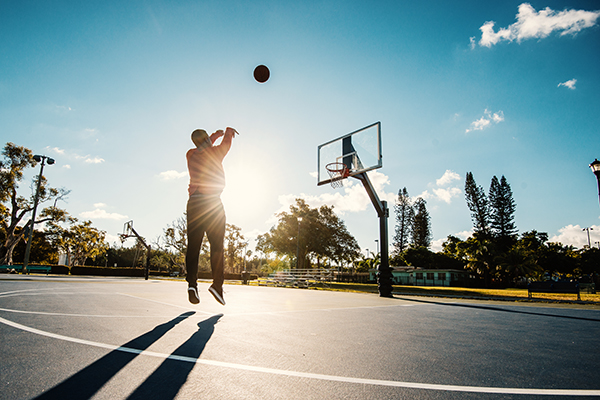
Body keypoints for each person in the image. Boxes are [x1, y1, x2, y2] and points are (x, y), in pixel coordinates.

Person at [185, 127, 238, 305]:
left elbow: (205, 146)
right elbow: (227, 144)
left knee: (193, 246)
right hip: (212, 204)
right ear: (207, 140)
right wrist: (229, 132)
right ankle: (217, 286)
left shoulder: (190, 154)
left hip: (194, 204)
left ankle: (192, 284)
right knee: (216, 247)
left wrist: (214, 136)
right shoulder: (215, 153)